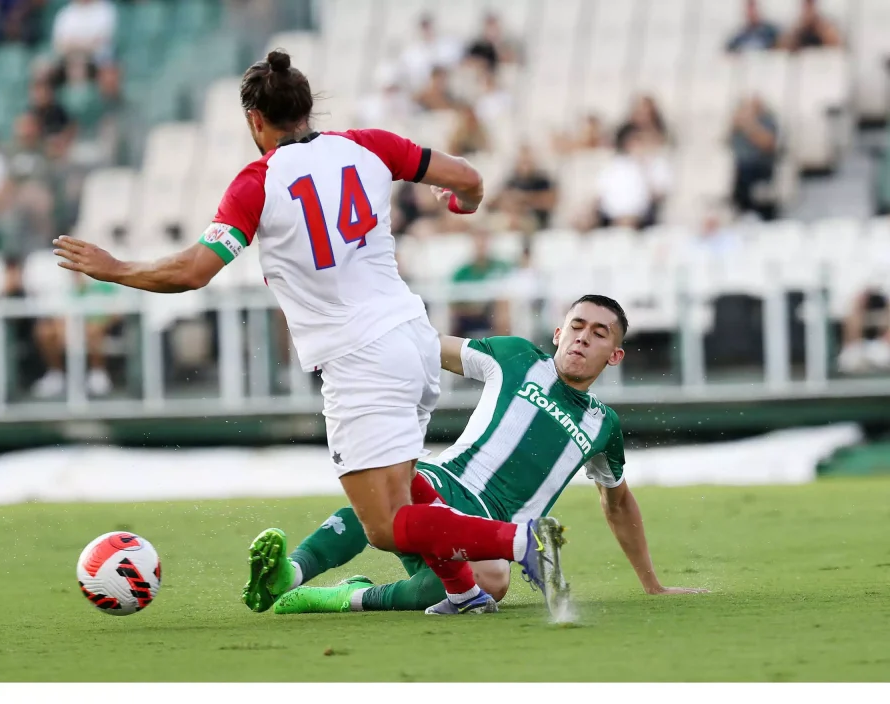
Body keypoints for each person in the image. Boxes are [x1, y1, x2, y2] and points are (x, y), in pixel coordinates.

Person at [54, 50, 562, 617]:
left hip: (359, 357)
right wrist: (462, 202)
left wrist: (115, 268)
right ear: (306, 108)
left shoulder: (257, 182)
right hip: (413, 338)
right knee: (407, 484)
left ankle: (521, 541)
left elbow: (193, 272)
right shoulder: (367, 145)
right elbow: (468, 179)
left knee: (387, 527)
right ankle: (464, 593)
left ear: (255, 120)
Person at [243, 296, 708, 614]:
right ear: (558, 332)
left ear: (615, 355)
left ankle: (347, 597)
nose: (583, 337)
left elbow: (618, 501)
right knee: (391, 494)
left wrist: (652, 582)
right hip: (445, 482)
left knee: (492, 584)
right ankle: (292, 571)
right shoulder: (516, 358)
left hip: (488, 530)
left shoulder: (603, 425)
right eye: (577, 326)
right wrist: (364, 334)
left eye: (600, 333)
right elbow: (427, 346)